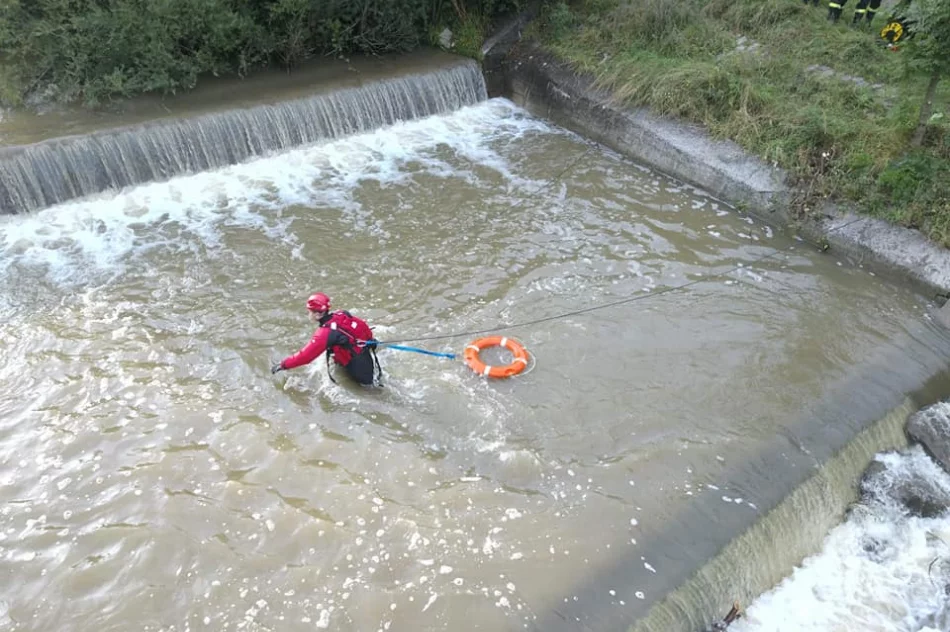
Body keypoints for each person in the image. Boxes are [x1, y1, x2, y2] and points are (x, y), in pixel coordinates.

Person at [271, 292, 382, 386]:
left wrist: (284, 365)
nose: (308, 314)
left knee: (368, 389)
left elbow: (305, 356)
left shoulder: (325, 333)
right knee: (371, 384)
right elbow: (362, 325)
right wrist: (371, 339)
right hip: (363, 355)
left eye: (310, 311)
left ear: (318, 314)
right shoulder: (341, 314)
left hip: (357, 366)